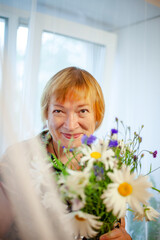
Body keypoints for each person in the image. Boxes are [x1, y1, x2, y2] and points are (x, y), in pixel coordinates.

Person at [0, 66, 132, 240]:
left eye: (82, 111)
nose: (71, 124)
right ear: (46, 113)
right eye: (59, 111)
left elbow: (115, 224)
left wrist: (123, 237)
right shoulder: (18, 158)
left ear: (97, 114)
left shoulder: (110, 161)